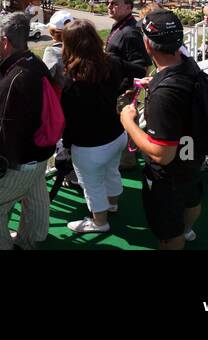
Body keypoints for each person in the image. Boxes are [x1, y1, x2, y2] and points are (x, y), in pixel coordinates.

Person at [118, 10, 203, 249]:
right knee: (191, 198)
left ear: (147, 43)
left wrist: (128, 121)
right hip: (193, 155)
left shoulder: (166, 92)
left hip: (169, 174)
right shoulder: (188, 63)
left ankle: (179, 234)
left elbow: (161, 154)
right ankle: (187, 230)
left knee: (168, 232)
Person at [0, 12, 53, 250]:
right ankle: (31, 241)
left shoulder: (14, 78)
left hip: (21, 161)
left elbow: (1, 130)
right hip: (39, 154)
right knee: (35, 196)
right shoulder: (34, 63)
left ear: (5, 41)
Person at [58, 20, 145, 234]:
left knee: (92, 184)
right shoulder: (112, 61)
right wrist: (124, 89)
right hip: (116, 135)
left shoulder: (70, 80)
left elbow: (68, 121)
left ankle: (99, 222)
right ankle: (112, 203)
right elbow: (139, 70)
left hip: (89, 146)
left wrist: (66, 146)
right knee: (111, 172)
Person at [105, 0, 150, 170]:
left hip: (123, 91)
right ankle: (128, 156)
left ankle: (126, 162)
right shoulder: (120, 26)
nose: (109, 6)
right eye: (109, 2)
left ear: (129, 7)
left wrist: (131, 88)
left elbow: (141, 67)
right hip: (117, 89)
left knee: (125, 126)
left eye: (114, 3)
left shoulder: (130, 32)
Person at [42, 11, 74, 80]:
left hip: (58, 90)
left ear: (52, 32)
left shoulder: (51, 51)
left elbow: (45, 78)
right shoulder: (78, 48)